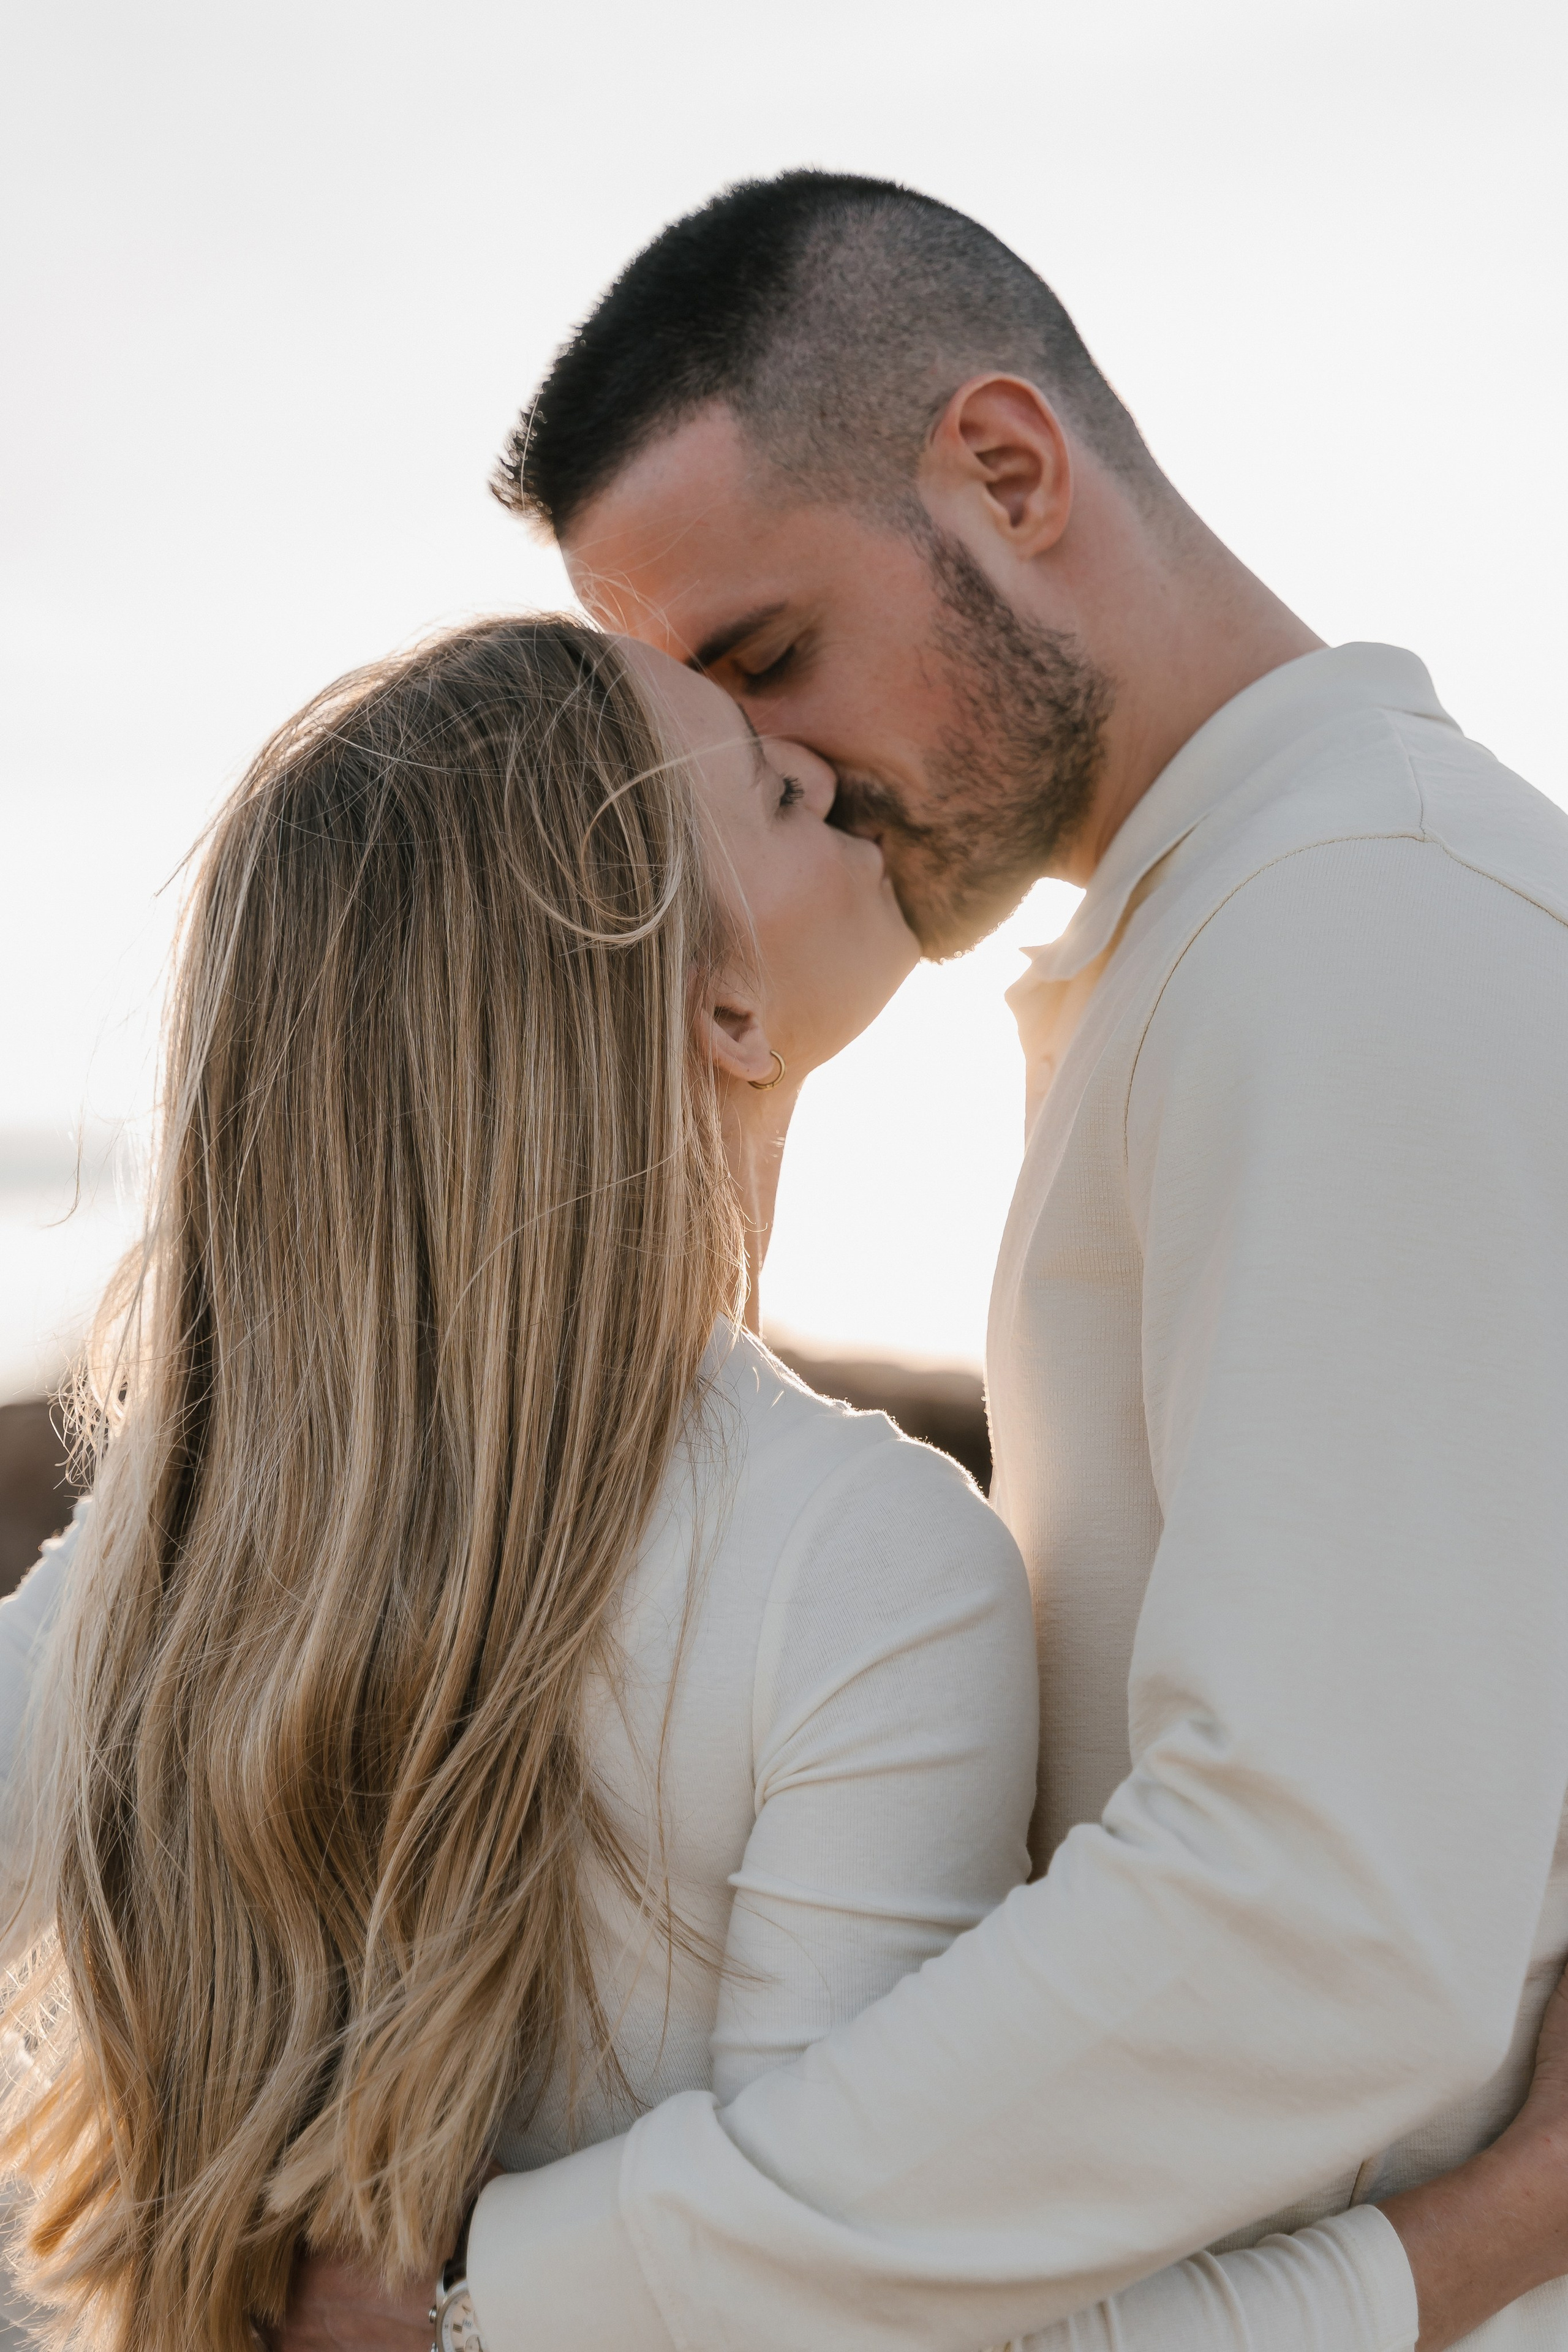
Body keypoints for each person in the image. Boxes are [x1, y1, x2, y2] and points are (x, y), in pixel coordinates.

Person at [1, 619, 1564, 2352]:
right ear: (723, 1006)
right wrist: (1472, 2245)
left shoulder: (179, 1521)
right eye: (764, 781)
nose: (820, 765)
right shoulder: (864, 1565)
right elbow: (871, 2327)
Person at [415, 171, 1568, 2349]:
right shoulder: (1221, 948)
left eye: (769, 659)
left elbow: (1314, 1911)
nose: (773, 775)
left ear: (1009, 474)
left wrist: (545, 2294)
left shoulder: (1354, 933)